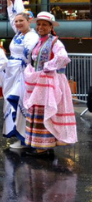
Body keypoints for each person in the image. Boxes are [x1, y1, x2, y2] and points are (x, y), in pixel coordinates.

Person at [21, 12, 77, 157]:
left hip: (49, 81)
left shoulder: (55, 42)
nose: (40, 27)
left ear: (50, 26)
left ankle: (43, 148)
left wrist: (47, 67)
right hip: (42, 81)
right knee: (40, 111)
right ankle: (42, 146)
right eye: (38, 24)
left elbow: (63, 57)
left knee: (45, 111)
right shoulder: (40, 41)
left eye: (44, 24)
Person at [4, 0, 38, 149]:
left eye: (21, 21)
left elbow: (31, 52)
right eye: (16, 22)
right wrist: (10, 3)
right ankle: (17, 133)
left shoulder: (32, 36)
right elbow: (12, 17)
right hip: (12, 73)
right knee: (11, 103)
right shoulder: (18, 34)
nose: (17, 24)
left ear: (29, 21)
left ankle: (25, 138)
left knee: (21, 103)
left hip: (23, 74)